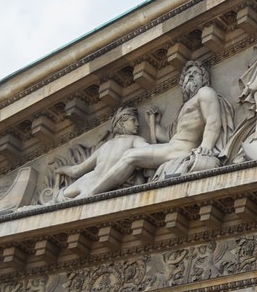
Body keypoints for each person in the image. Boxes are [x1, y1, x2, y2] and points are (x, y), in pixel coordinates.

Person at [78, 62, 226, 196]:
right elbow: (170, 136)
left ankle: (91, 193)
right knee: (130, 154)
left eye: (195, 73)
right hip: (173, 147)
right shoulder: (185, 106)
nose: (190, 76)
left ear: (204, 79)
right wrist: (154, 125)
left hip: (182, 149)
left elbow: (213, 120)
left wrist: (206, 145)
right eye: (187, 74)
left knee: (130, 155)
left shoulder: (205, 92)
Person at [53, 107, 151, 201]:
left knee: (53, 203)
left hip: (87, 182)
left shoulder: (104, 146)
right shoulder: (135, 140)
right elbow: (149, 151)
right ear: (122, 123)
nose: (137, 124)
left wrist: (60, 170)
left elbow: (76, 171)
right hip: (105, 187)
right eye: (133, 120)